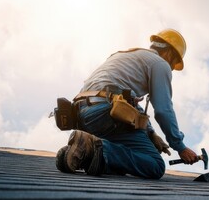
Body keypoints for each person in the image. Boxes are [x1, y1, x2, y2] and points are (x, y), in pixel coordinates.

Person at [55, 29, 199, 179]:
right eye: (173, 63)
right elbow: (163, 110)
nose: (171, 68)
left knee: (122, 157)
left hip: (81, 114)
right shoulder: (160, 64)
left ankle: (81, 153)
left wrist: (151, 133)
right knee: (155, 164)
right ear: (169, 53)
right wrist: (180, 147)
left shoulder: (124, 56)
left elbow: (125, 101)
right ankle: (96, 149)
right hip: (104, 113)